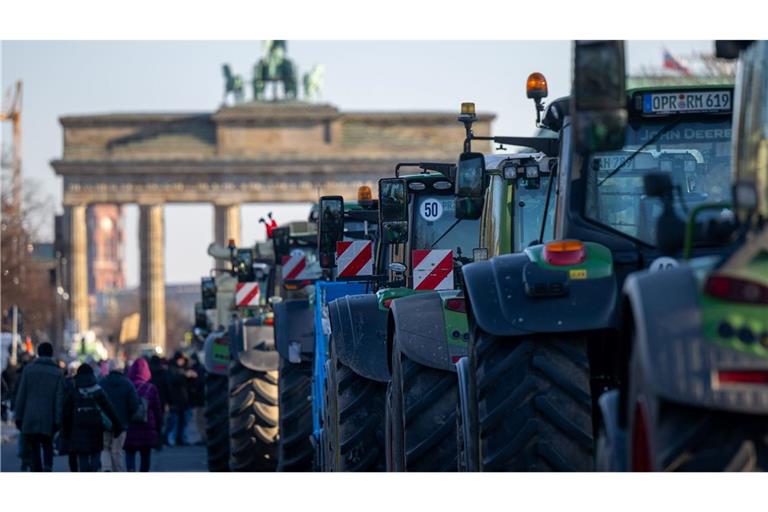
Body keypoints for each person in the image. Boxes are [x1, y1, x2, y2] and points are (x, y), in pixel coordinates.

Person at [13, 342, 64, 472]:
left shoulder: (28, 370)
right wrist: (58, 420)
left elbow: (22, 395)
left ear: (38, 353)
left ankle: (37, 470)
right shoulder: (57, 372)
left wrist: (18, 416)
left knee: (34, 447)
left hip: (29, 417)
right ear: (51, 354)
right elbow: (59, 399)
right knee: (48, 446)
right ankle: (47, 468)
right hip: (49, 418)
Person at [62, 364, 123, 471]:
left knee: (82, 455)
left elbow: (66, 413)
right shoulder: (98, 390)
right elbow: (109, 409)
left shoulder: (74, 392)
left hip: (78, 429)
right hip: (96, 428)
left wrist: (66, 432)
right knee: (95, 453)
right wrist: (118, 426)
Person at [99, 359, 139, 471]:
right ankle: (118, 471)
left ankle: (106, 469)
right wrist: (128, 418)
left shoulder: (102, 382)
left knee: (105, 448)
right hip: (122, 423)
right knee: (117, 450)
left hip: (105, 423)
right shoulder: (128, 384)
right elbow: (134, 405)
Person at [124, 358, 163, 471]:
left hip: (130, 427)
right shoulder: (151, 388)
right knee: (145, 456)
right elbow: (157, 410)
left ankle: (131, 471)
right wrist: (158, 428)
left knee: (129, 453)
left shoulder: (127, 386)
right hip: (147, 428)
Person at [166, 351, 195, 446]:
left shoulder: (183, 369)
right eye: (180, 360)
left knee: (183, 422)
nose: (181, 361)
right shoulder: (172, 369)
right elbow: (173, 379)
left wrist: (191, 377)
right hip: (175, 400)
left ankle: (180, 438)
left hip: (183, 400)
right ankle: (171, 439)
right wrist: (185, 375)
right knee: (174, 421)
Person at [188, 353, 206, 444]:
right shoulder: (200, 368)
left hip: (199, 400)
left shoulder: (197, 370)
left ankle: (203, 437)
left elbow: (198, 384)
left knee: (200, 419)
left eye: (190, 359)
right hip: (200, 399)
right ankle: (203, 437)